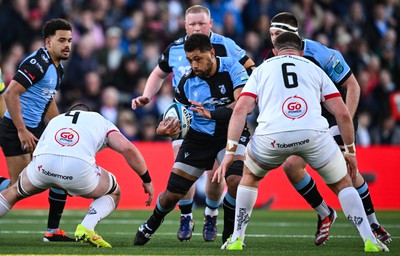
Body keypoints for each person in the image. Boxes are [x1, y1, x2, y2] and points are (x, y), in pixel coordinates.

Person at [214, 32, 389, 253]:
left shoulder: (261, 70)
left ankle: (237, 238)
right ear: (302, 52)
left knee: (249, 177)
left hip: (271, 138)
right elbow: (343, 114)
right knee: (343, 183)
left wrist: (230, 150)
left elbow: (240, 109)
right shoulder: (315, 69)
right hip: (314, 136)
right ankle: (369, 239)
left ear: (275, 52)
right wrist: (350, 151)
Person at [131, 5, 255, 242]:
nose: (193, 65)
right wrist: (161, 128)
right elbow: (178, 110)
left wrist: (213, 114)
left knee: (235, 180)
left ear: (211, 51)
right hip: (197, 133)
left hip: (231, 131)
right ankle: (153, 223)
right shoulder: (185, 78)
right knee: (171, 194)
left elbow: (242, 105)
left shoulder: (231, 61)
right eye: (189, 61)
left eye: (197, 59)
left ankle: (224, 226)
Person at [266, 12, 391, 245]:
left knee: (344, 172)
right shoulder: (272, 58)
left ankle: (372, 223)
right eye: (271, 34)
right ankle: (325, 213)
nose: (273, 38)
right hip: (303, 119)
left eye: (277, 34)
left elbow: (352, 86)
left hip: (331, 117)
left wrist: (346, 122)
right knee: (291, 166)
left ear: (292, 34)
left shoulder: (321, 54)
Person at [0, 103, 154, 248]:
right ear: (89, 113)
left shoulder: (56, 120)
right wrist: (146, 179)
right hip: (78, 168)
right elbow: (127, 148)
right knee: (114, 191)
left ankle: (52, 229)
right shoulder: (100, 120)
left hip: (43, 163)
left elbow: (41, 148)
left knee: (14, 191)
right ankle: (87, 226)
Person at [0, 18, 75, 242]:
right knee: (21, 187)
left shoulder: (57, 68)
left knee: (60, 176)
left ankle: (52, 232)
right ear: (48, 41)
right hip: (16, 130)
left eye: (70, 40)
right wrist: (22, 130)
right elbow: (10, 94)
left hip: (35, 131)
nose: (67, 45)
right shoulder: (38, 63)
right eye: (61, 40)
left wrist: (64, 129)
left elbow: (47, 101)